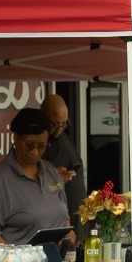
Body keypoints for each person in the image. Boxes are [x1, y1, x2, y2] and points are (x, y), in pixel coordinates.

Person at [0, 107, 71, 245]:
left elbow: (63, 216)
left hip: (56, 260)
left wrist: (68, 233)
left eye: (42, 146)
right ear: (15, 137)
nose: (35, 152)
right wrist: (15, 258)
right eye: (29, 145)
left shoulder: (52, 173)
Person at [40, 94, 85, 236]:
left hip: (76, 222)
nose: (60, 128)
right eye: (55, 123)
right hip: (57, 226)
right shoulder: (39, 144)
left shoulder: (62, 137)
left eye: (64, 123)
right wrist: (50, 175)